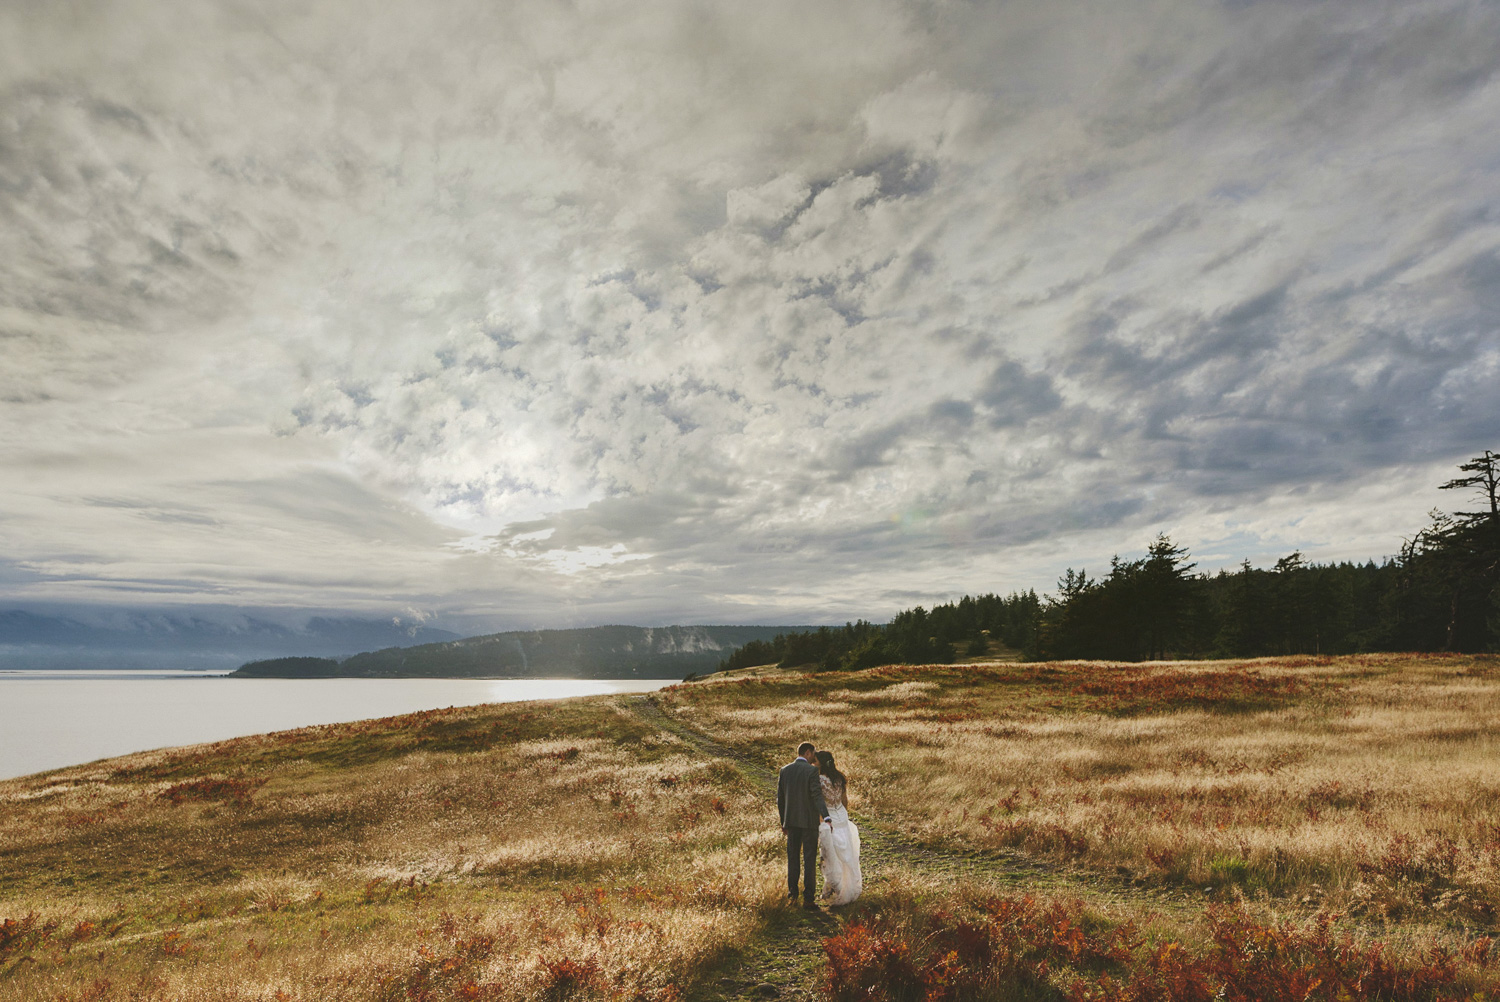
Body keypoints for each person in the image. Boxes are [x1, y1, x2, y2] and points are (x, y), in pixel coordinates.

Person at [777, 740, 830, 908]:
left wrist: (783, 821)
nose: (814, 757)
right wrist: (826, 816)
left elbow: (781, 799)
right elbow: (816, 795)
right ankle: (808, 899)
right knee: (809, 859)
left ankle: (792, 896)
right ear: (807, 752)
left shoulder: (785, 770)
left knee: (792, 859)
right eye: (813, 754)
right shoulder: (811, 770)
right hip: (808, 822)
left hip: (791, 821)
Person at [815, 749, 862, 905]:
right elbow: (844, 800)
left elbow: (819, 802)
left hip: (829, 818)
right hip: (841, 816)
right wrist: (844, 816)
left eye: (815, 761)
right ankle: (835, 888)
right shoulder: (839, 778)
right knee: (846, 854)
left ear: (820, 763)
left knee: (831, 854)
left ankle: (834, 888)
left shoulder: (819, 780)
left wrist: (820, 820)